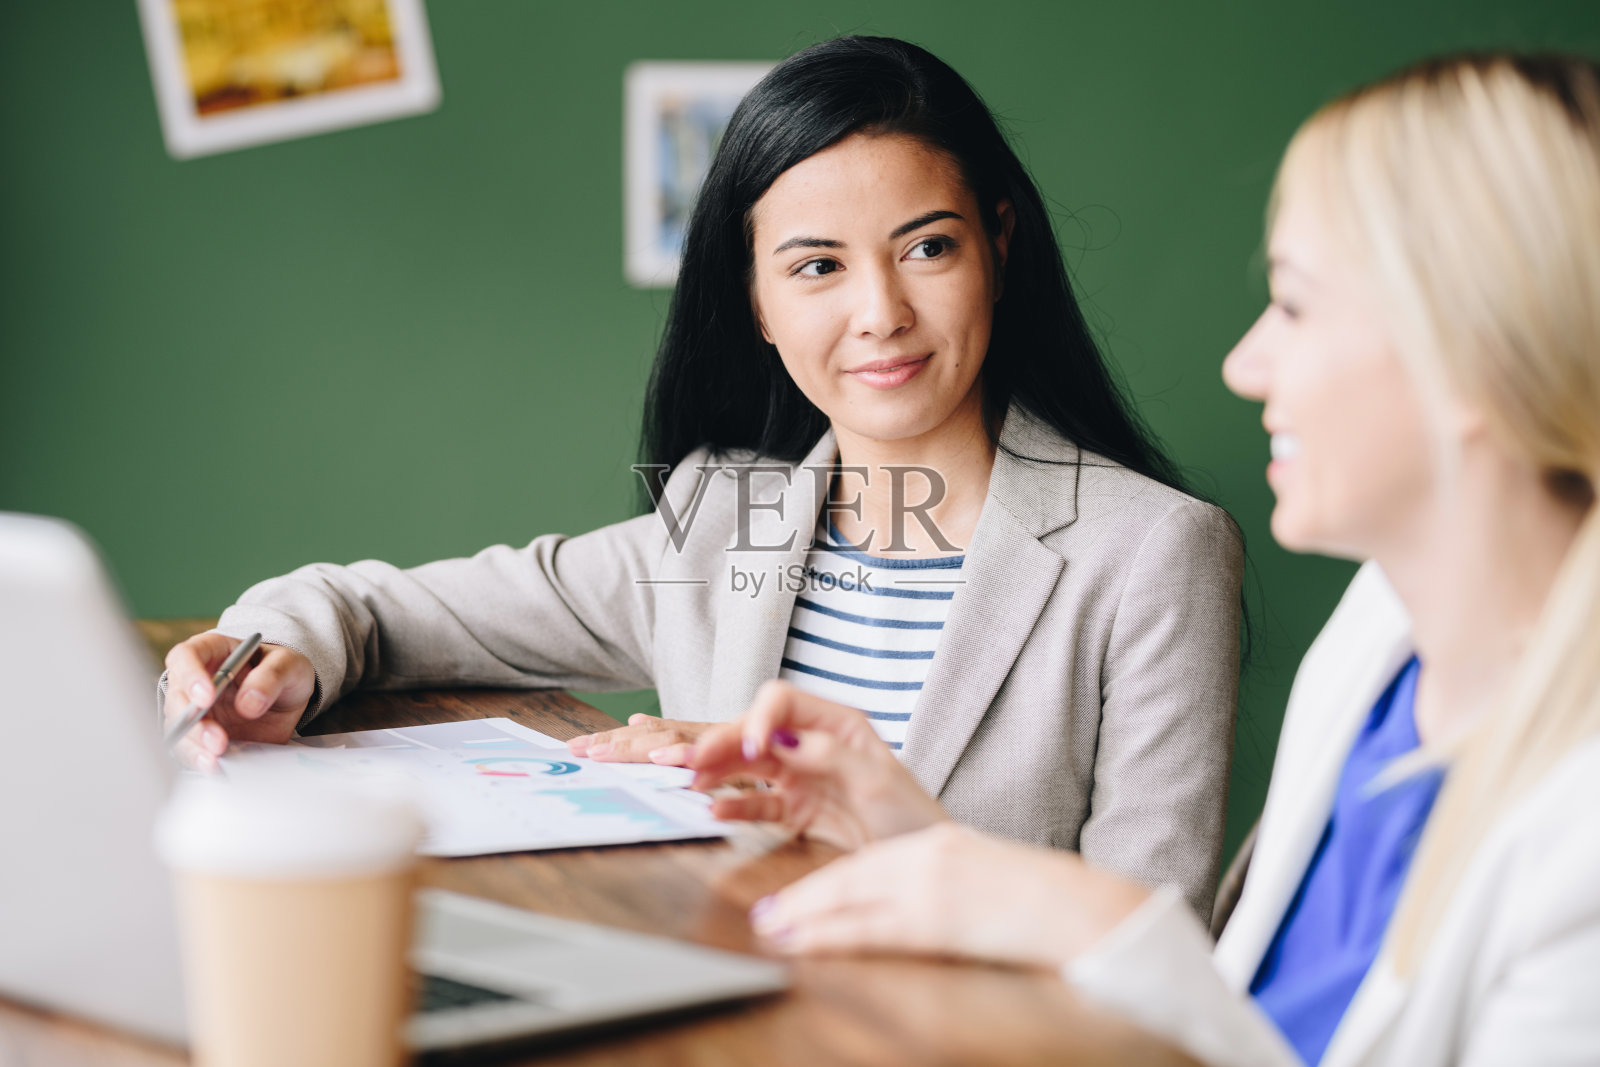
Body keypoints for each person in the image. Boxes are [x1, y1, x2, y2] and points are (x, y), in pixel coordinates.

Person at [159, 36, 1244, 914]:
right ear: (758, 303)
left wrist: (833, 814)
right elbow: (375, 609)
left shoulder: (1150, 552)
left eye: (926, 247)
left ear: (998, 244)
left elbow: (1147, 939)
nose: (880, 312)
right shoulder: (723, 524)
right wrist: (275, 650)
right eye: (816, 266)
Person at [689, 52, 1600, 1065]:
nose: (1243, 362)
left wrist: (1067, 911)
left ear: (1477, 351)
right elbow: (1238, 1023)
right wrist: (927, 848)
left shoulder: (1580, 846)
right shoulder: (1387, 635)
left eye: (1294, 304)